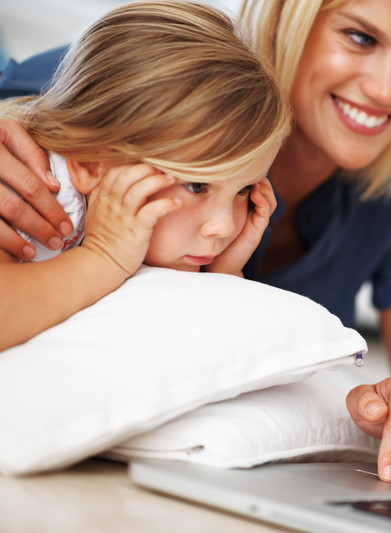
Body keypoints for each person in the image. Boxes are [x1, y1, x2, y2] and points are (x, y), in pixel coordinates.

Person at [0, 0, 391, 482]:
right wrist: (103, 256)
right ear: (290, 17)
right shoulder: (153, 80)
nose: (386, 90)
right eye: (359, 37)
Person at [0, 0, 291, 351]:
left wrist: (222, 279)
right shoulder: (34, 188)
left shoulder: (162, 236)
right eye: (197, 185)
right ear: (92, 165)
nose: (225, 227)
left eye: (244, 190)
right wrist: (102, 258)